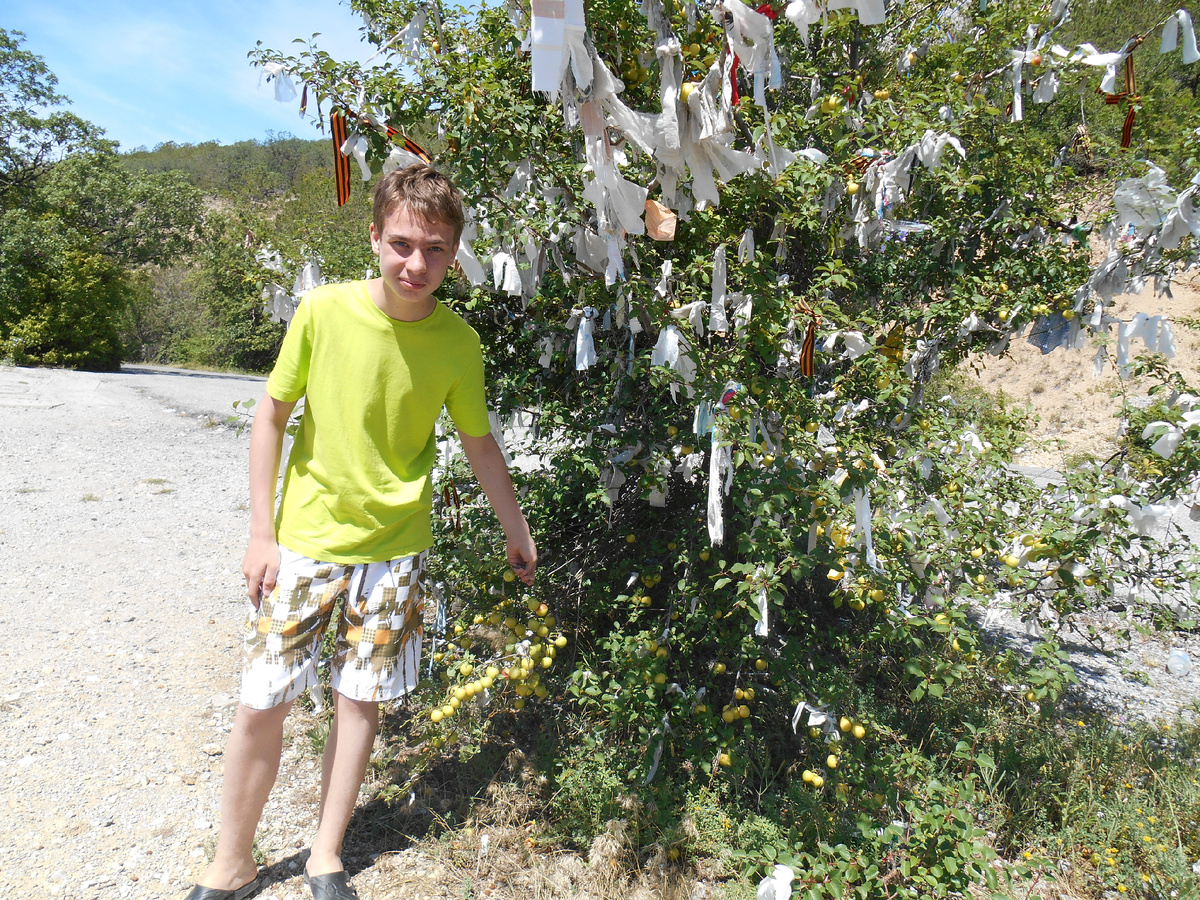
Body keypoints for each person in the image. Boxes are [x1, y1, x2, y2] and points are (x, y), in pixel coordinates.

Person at [186, 165, 537, 900]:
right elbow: (272, 415)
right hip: (304, 544)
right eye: (403, 243)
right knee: (262, 701)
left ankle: (325, 855)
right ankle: (232, 863)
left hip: (395, 554)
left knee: (359, 699)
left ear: (455, 254)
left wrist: (516, 528)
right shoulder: (322, 311)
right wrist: (261, 532)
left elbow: (479, 444)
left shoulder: (458, 343)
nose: (417, 264)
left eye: (436, 250)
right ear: (375, 236)